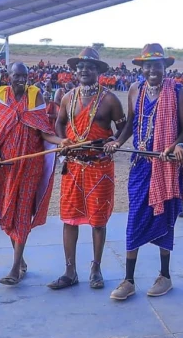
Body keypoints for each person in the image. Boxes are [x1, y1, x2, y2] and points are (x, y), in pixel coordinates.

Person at [105, 45, 183, 301]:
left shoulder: (177, 91)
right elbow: (132, 123)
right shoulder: (135, 89)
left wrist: (176, 146)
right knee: (134, 218)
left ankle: (165, 276)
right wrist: (118, 141)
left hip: (166, 165)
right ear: (141, 68)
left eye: (157, 66)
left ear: (165, 68)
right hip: (140, 165)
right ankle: (129, 280)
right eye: (148, 66)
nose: (152, 70)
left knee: (164, 217)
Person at [48, 48, 125, 290]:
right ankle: (70, 271)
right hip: (73, 167)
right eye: (80, 67)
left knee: (98, 221)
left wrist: (115, 142)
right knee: (69, 219)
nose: (84, 70)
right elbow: (60, 123)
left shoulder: (110, 99)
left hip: (99, 167)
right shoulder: (68, 98)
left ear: (98, 71)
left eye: (90, 67)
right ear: (75, 71)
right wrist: (63, 141)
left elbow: (124, 127)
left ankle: (96, 268)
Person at [0, 63, 62, 285]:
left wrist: (61, 141)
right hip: (6, 167)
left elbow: (44, 131)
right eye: (17, 75)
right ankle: (21, 260)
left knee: (23, 214)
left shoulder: (35, 96)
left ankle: (15, 268)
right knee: (8, 213)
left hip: (29, 167)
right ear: (9, 76)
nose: (21, 79)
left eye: (25, 76)